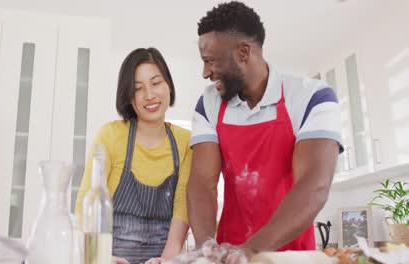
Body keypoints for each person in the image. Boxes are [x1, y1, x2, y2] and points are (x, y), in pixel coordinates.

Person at [187, 1, 343, 257]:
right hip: (229, 256)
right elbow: (203, 184)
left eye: (210, 61)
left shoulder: (311, 96)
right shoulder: (208, 103)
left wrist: (250, 250)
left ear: (243, 53)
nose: (205, 73)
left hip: (290, 257)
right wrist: (206, 248)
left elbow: (315, 184)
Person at [75, 48, 192, 264]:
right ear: (129, 96)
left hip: (163, 258)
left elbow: (183, 207)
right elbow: (86, 201)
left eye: (156, 83)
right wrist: (99, 257)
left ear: (168, 85)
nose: (149, 95)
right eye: (138, 88)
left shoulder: (186, 143)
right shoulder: (110, 135)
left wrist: (167, 260)